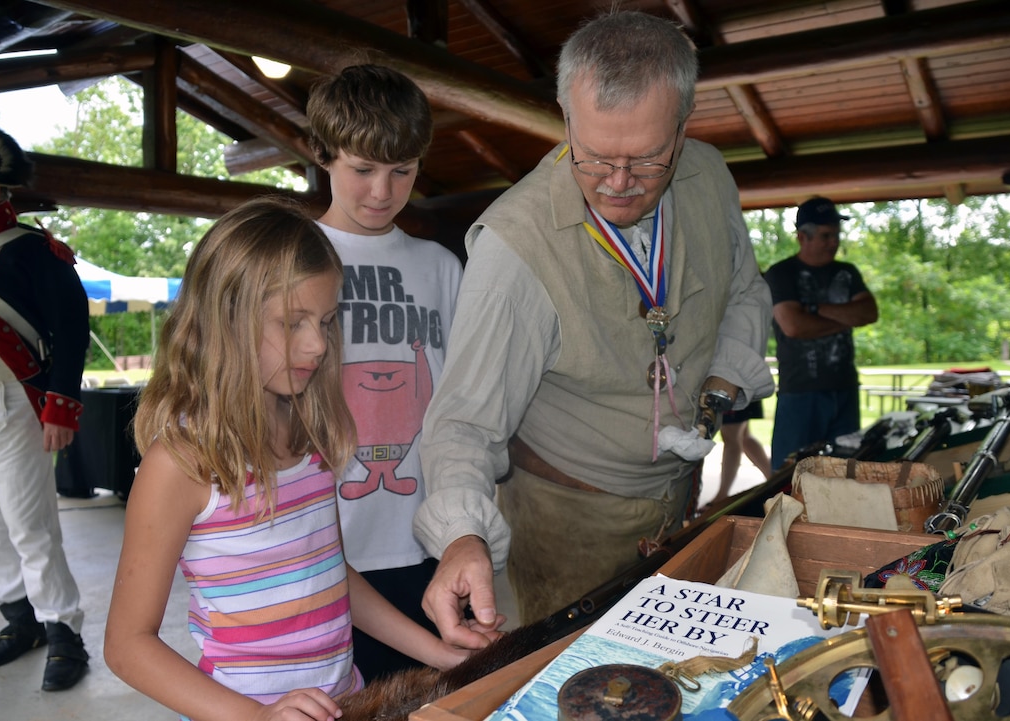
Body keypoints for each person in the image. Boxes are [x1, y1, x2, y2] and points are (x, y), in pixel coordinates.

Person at [412, 10, 775, 646]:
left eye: (645, 160)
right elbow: (464, 423)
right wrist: (463, 535)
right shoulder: (515, 248)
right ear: (567, 119)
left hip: (676, 501)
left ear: (684, 130)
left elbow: (743, 289)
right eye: (595, 157)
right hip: (559, 525)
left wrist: (717, 389)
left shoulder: (709, 176)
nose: (616, 183)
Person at [103, 197, 481, 721]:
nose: (319, 346)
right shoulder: (183, 464)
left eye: (326, 322)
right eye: (293, 323)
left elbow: (328, 572)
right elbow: (127, 646)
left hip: (344, 700)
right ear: (224, 321)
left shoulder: (309, 434)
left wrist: (436, 650)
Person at [306, 64, 464, 682]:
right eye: (363, 169)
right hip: (317, 541)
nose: (382, 191)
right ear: (323, 154)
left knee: (418, 697)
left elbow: (459, 400)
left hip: (421, 541)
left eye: (402, 171)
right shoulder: (291, 257)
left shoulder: (440, 266)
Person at [0, 123, 90, 691]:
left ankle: (64, 631)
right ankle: (19, 621)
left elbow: (71, 325)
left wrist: (61, 405)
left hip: (10, 400)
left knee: (29, 525)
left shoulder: (33, 250)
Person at [765, 196, 878, 469]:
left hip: (844, 389)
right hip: (800, 392)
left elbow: (869, 313)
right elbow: (793, 326)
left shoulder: (847, 272)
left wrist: (812, 309)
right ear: (803, 237)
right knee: (789, 475)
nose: (834, 242)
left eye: (836, 235)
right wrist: (844, 317)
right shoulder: (781, 273)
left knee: (847, 472)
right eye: (826, 236)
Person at [710, 400, 772, 506]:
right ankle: (774, 481)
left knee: (732, 439)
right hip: (741, 390)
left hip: (734, 391)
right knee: (744, 437)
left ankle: (721, 498)